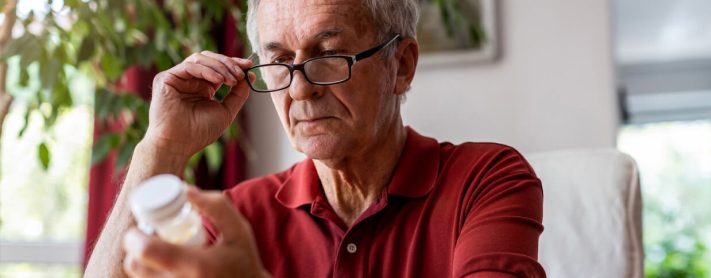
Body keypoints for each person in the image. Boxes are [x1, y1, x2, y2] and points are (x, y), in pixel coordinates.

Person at [85, 0, 545, 277]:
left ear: (401, 66)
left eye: (329, 54)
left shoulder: (487, 180)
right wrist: (162, 146)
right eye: (280, 60)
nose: (301, 88)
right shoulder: (237, 217)